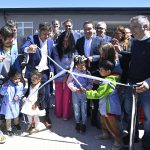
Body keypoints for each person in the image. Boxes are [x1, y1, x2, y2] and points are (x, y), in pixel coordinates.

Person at [122, 15, 150, 150]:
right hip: (131, 82)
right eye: (131, 27)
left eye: (134, 27)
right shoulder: (134, 41)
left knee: (149, 117)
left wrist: (148, 82)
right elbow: (133, 58)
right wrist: (120, 53)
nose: (131, 30)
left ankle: (147, 143)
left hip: (147, 86)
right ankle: (133, 136)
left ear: (145, 27)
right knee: (129, 110)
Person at [20, 22, 53, 128]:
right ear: (39, 32)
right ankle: (31, 117)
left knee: (46, 95)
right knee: (32, 95)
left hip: (45, 73)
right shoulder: (32, 38)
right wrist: (28, 49)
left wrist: (51, 69)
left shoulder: (51, 41)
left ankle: (46, 116)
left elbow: (51, 58)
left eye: (48, 34)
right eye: (44, 34)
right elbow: (23, 47)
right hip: (34, 72)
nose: (46, 36)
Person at [86, 60, 123, 150]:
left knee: (112, 125)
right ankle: (105, 134)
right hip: (105, 107)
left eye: (102, 69)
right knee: (103, 121)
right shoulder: (110, 78)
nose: (99, 71)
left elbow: (99, 94)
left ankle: (118, 142)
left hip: (109, 108)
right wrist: (99, 83)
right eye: (100, 69)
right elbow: (104, 87)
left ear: (108, 71)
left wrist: (86, 93)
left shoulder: (107, 82)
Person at [52, 31, 76, 120]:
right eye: (63, 41)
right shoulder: (54, 48)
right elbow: (54, 62)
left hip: (69, 76)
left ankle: (66, 114)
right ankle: (58, 112)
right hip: (58, 75)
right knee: (58, 95)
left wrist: (68, 74)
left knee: (67, 96)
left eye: (67, 42)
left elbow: (73, 63)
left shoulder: (73, 50)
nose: (65, 44)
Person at [67, 55, 93, 133]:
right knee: (76, 107)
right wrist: (75, 89)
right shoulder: (74, 72)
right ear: (76, 65)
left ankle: (84, 123)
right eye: (79, 65)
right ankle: (77, 122)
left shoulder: (87, 73)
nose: (81, 66)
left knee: (84, 108)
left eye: (83, 64)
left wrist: (87, 88)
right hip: (75, 93)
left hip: (84, 93)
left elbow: (91, 83)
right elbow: (69, 82)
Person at [0, 69, 24, 136]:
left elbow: (21, 91)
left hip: (15, 103)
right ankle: (9, 129)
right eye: (15, 79)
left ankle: (16, 124)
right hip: (7, 104)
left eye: (19, 79)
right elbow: (2, 93)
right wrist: (4, 87)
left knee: (16, 115)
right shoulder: (7, 84)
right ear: (11, 77)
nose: (18, 80)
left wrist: (17, 95)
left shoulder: (20, 84)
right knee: (8, 117)